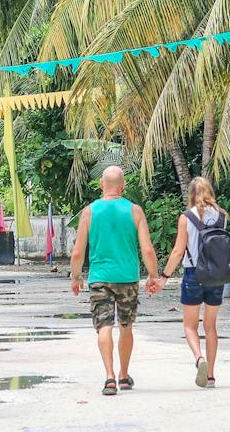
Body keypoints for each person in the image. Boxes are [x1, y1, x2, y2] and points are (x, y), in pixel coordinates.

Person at [69, 166, 162, 396]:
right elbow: (147, 249)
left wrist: (76, 276)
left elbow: (78, 252)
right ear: (123, 187)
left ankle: (109, 376)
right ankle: (124, 375)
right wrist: (153, 275)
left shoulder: (89, 212)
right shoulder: (135, 211)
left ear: (102, 185)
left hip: (100, 278)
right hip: (128, 278)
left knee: (104, 326)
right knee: (126, 326)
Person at [162, 176, 227, 388]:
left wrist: (164, 276)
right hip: (216, 276)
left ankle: (200, 359)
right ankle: (211, 376)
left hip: (193, 274)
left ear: (191, 194)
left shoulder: (186, 217)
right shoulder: (222, 216)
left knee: (190, 326)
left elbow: (178, 251)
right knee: (211, 326)